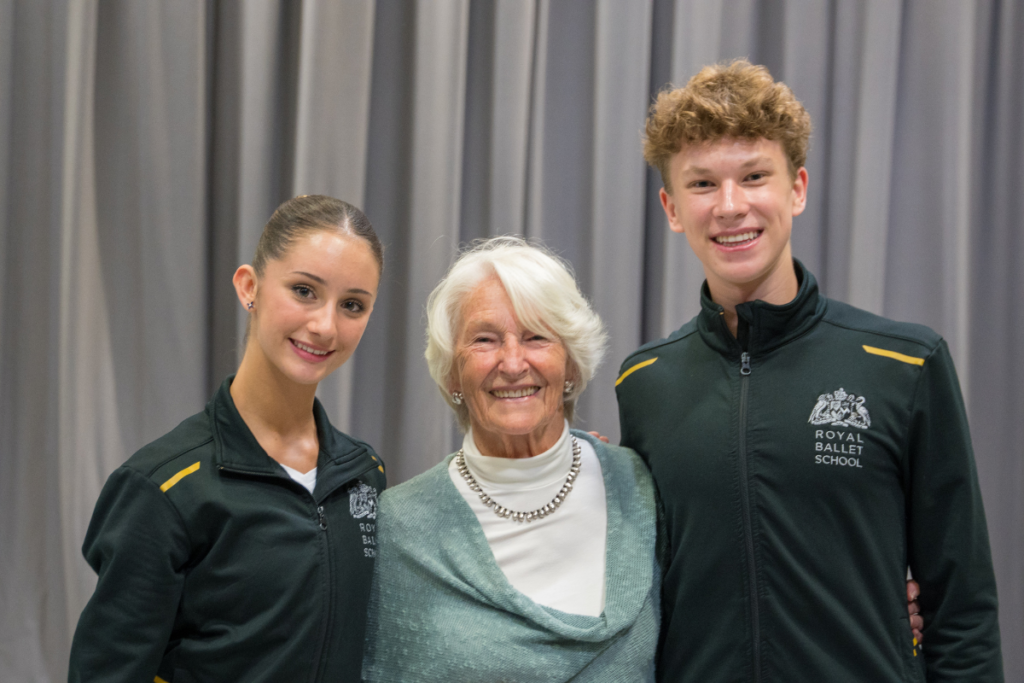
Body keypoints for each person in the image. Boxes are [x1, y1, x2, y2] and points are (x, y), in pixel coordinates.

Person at [615, 60, 1003, 681]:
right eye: (703, 184)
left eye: (754, 176)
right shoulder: (643, 384)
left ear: (796, 188)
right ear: (670, 207)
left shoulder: (905, 364)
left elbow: (962, 609)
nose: (731, 206)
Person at [68, 195, 386, 683]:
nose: (325, 325)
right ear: (249, 287)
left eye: (352, 305)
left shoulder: (364, 475)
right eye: (304, 290)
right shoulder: (162, 487)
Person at [362, 237, 660, 682]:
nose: (513, 362)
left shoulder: (641, 487)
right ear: (452, 373)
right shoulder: (398, 528)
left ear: (572, 365)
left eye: (536, 336)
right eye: (485, 340)